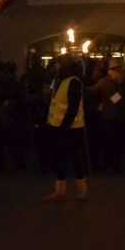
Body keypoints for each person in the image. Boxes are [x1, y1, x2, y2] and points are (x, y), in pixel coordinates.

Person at [43, 53, 87, 201]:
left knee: (74, 158)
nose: (55, 66)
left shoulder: (73, 81)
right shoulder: (60, 80)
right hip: (56, 126)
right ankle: (60, 191)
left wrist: (64, 127)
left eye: (58, 63)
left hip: (71, 129)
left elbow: (73, 107)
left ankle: (82, 189)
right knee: (59, 158)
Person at [86, 57, 125, 173]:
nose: (121, 72)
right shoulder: (105, 81)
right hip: (108, 118)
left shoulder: (122, 83)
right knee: (109, 142)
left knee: (117, 142)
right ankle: (110, 164)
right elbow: (92, 90)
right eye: (118, 70)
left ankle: (115, 164)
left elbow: (121, 98)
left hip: (118, 117)